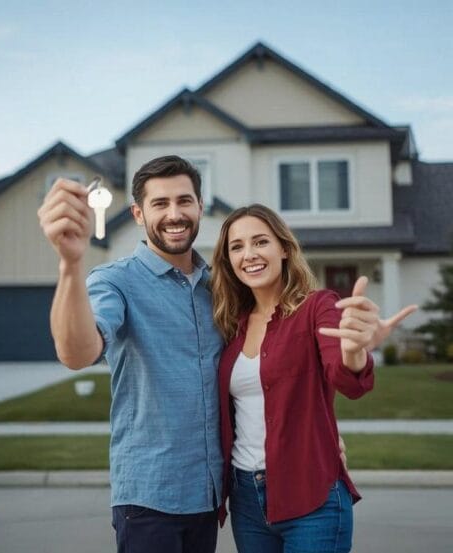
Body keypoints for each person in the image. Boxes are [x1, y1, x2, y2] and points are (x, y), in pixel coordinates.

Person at [38, 155, 407, 553]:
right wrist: (70, 265)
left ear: (199, 206)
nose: (174, 213)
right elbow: (78, 352)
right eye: (160, 204)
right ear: (138, 214)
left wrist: (327, 424)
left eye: (184, 201)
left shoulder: (224, 292)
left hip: (211, 496)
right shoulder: (115, 281)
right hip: (149, 495)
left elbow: (309, 368)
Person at [211, 204, 415, 553]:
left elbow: (346, 378)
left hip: (311, 496)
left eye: (261, 242)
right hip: (246, 499)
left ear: (284, 249)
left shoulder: (318, 307)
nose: (249, 254)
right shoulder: (231, 323)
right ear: (228, 259)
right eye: (237, 246)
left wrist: (354, 351)